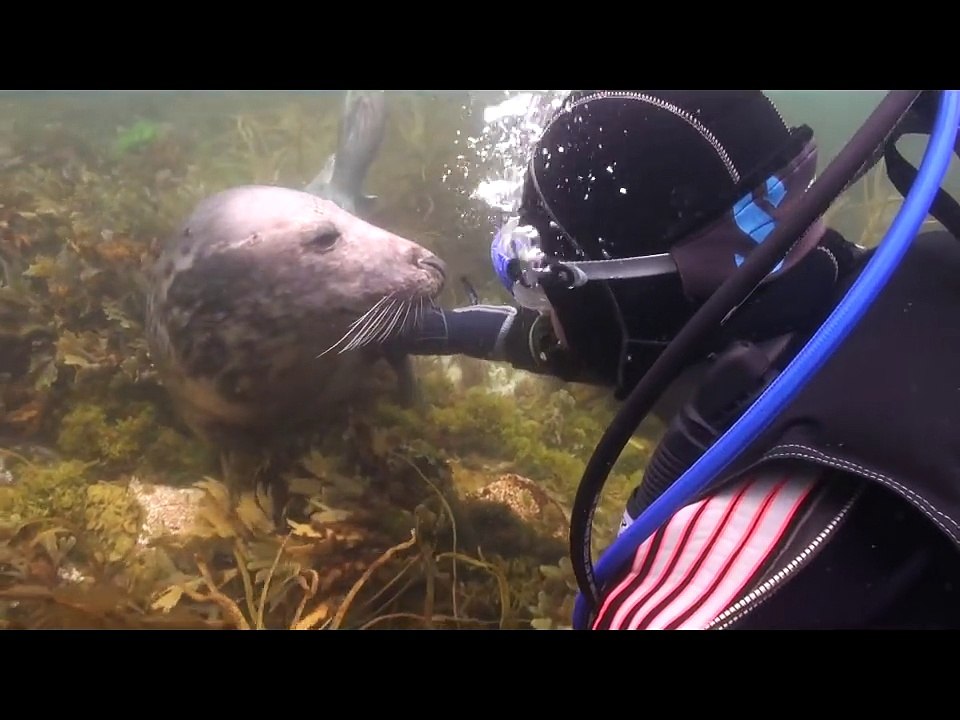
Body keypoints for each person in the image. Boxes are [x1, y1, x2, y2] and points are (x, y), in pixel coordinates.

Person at [389, 90, 960, 629]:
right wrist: (440, 329)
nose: (543, 316)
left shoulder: (700, 600)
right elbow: (617, 335)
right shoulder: (931, 264)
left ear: (618, 306)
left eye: (539, 285)